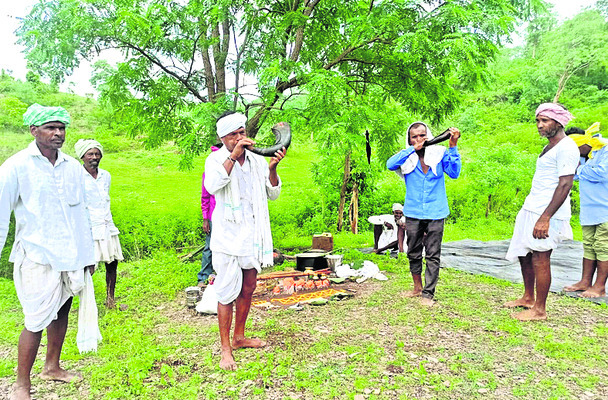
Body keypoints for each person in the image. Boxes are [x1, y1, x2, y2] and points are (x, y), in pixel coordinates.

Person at [0, 104, 101, 400]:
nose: (58, 133)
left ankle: (52, 367)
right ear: (33, 131)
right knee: (35, 319)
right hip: (37, 255)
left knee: (62, 310)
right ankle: (21, 384)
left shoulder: (72, 166)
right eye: (50, 128)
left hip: (70, 256)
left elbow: (81, 213)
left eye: (61, 128)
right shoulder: (16, 166)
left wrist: (88, 256)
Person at [204, 111, 286, 370]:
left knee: (249, 285)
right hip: (227, 237)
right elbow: (214, 185)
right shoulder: (215, 159)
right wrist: (233, 156)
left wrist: (272, 169)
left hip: (251, 235)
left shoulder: (257, 160)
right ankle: (225, 348)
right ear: (223, 138)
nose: (240, 138)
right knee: (227, 291)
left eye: (242, 132)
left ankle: (239, 337)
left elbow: (272, 193)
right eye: (234, 135)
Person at [504, 103, 579, 321]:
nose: (540, 125)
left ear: (558, 122)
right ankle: (528, 297)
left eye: (545, 121)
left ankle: (540, 309)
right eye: (538, 121)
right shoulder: (550, 146)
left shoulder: (567, 147)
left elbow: (565, 185)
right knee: (525, 253)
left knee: (540, 257)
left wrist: (545, 218)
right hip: (533, 206)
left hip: (548, 212)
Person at [387, 122, 461, 306]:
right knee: (413, 251)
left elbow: (454, 173)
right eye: (414, 137)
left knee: (433, 254)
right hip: (413, 212)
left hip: (436, 211)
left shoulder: (439, 153)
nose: (419, 139)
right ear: (409, 139)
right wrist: (412, 150)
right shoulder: (407, 158)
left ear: (429, 135)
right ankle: (417, 287)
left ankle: (428, 294)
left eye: (422, 135)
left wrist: (453, 147)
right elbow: (389, 164)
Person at [75, 139, 124, 308]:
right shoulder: (77, 177)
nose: (94, 157)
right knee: (88, 267)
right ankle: (86, 303)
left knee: (112, 263)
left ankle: (110, 300)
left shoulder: (105, 176)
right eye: (90, 154)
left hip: (106, 224)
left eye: (97, 154)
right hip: (89, 228)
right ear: (82, 157)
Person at [563, 123, 608, 298]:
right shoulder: (584, 155)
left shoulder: (605, 149)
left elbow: (603, 174)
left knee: (603, 247)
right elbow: (571, 174)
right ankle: (585, 281)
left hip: (605, 208)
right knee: (589, 246)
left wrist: (580, 170)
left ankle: (599, 286)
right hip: (590, 209)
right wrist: (581, 170)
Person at [197, 145, 220, 288]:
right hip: (214, 215)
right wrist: (205, 218)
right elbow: (205, 196)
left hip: (232, 216)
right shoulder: (210, 171)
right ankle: (203, 277)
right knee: (210, 246)